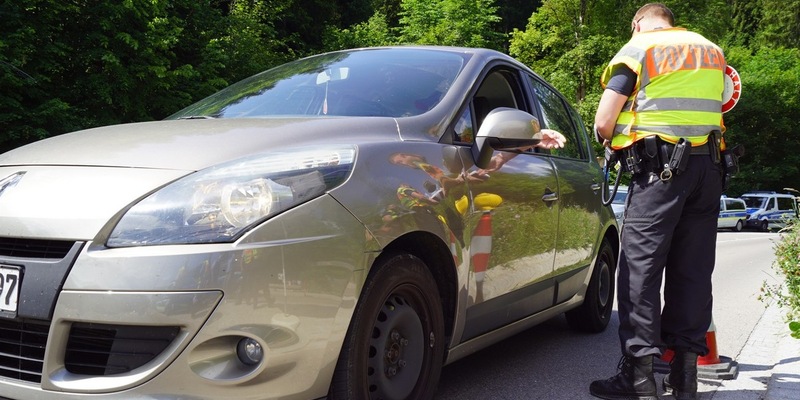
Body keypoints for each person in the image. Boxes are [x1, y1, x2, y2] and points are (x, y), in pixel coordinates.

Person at [590, 3, 726, 400]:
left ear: (638, 23)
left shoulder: (638, 48)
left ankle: (638, 378)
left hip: (660, 172)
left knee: (640, 271)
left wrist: (611, 141)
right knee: (693, 272)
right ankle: (685, 379)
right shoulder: (710, 48)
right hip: (709, 170)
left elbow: (604, 120)